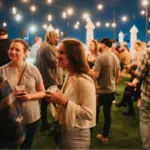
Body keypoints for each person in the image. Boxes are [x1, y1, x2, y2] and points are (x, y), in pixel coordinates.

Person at [45, 38, 96, 149]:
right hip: (65, 131)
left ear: (73, 55)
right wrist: (56, 99)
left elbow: (89, 113)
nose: (57, 55)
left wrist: (62, 101)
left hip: (77, 136)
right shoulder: (69, 75)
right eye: (57, 52)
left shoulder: (83, 80)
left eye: (61, 52)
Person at [0, 38, 45, 149]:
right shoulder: (2, 71)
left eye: (17, 50)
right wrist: (9, 97)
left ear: (25, 52)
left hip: (31, 117)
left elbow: (43, 92)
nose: (13, 52)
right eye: (11, 49)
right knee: (9, 146)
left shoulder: (33, 69)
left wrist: (29, 96)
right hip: (10, 118)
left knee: (26, 146)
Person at [92, 38, 120, 143]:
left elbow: (95, 76)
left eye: (100, 44)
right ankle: (105, 136)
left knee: (93, 111)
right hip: (111, 90)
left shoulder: (100, 58)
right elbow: (118, 76)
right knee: (107, 114)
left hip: (100, 91)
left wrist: (88, 72)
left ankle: (88, 133)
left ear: (103, 45)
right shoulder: (115, 58)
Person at [36, 31, 63, 132]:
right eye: (56, 37)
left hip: (44, 79)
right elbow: (55, 62)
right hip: (50, 79)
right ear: (51, 37)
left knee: (44, 103)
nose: (58, 39)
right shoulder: (48, 47)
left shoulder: (42, 47)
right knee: (55, 103)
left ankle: (44, 124)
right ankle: (56, 125)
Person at [127, 48, 150, 150]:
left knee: (145, 121)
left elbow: (139, 73)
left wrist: (136, 81)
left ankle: (147, 146)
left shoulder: (149, 51)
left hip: (148, 94)